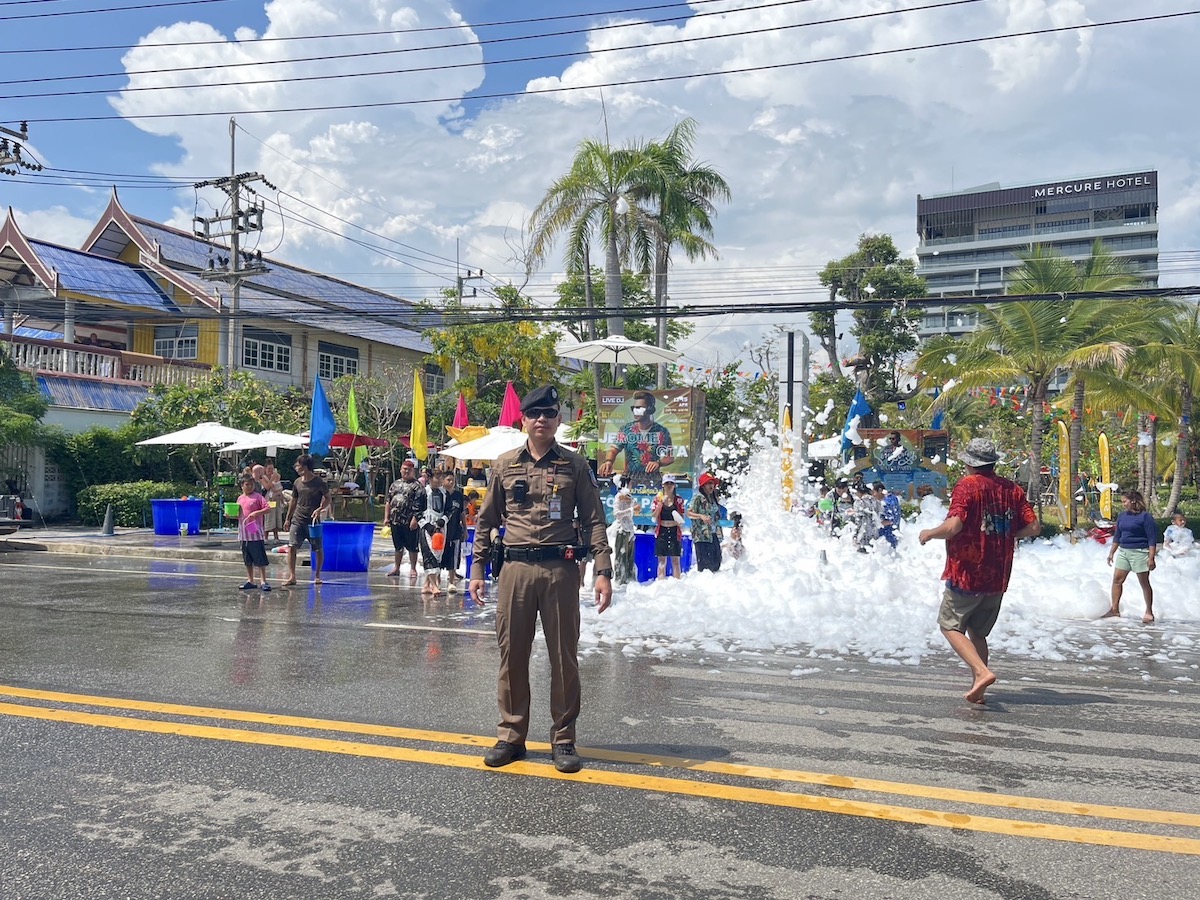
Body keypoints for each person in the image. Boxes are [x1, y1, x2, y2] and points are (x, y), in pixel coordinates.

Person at [470, 385, 613, 774]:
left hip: (560, 571)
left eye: (549, 414)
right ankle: (512, 735)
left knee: (563, 656)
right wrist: (477, 569)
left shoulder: (574, 465)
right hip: (514, 571)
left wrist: (602, 571)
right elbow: (485, 521)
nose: (541, 420)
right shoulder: (504, 464)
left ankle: (563, 738)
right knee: (512, 654)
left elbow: (594, 521)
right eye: (534, 414)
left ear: (558, 420)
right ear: (524, 419)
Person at [919, 438, 1040, 705]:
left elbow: (954, 526)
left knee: (949, 625)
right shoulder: (1012, 488)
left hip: (968, 571)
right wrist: (1004, 536)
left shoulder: (968, 486)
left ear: (969, 463)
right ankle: (979, 690)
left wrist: (930, 533)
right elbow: (1034, 527)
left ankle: (982, 672)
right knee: (978, 632)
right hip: (998, 573)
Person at [596, 390, 674, 488]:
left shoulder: (662, 431)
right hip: (629, 481)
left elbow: (670, 457)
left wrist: (659, 463)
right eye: (634, 408)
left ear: (650, 409)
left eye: (639, 408)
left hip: (653, 482)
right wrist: (608, 461)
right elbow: (613, 450)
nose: (635, 412)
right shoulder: (626, 429)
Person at [1103, 490, 1159, 624]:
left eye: (1125, 501)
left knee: (1144, 582)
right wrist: (1111, 552)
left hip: (1140, 552)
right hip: (1124, 551)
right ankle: (1114, 610)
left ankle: (1149, 612)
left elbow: (1152, 539)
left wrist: (1151, 558)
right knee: (1117, 580)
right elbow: (1117, 536)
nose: (1123, 504)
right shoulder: (1122, 516)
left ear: (1133, 501)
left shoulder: (1145, 517)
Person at [283, 454, 331, 586]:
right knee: (292, 546)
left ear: (305, 467)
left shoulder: (319, 482)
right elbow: (293, 501)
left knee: (317, 548)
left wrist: (320, 509)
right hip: (298, 519)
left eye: (298, 465)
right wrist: (288, 519)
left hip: (313, 521)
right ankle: (292, 576)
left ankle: (317, 575)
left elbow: (328, 499)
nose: (296, 467)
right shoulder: (297, 482)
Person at [385, 459, 424, 578]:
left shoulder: (417, 486)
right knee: (398, 546)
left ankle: (413, 569)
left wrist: (415, 519)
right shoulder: (395, 484)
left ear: (413, 471)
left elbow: (420, 505)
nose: (406, 471)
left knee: (412, 546)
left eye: (409, 470)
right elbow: (388, 501)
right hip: (395, 520)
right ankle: (396, 568)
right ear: (401, 470)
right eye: (404, 469)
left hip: (409, 520)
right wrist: (386, 517)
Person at [233, 476, 271, 591]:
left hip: (255, 534)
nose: (249, 487)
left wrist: (256, 513)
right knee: (247, 560)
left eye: (251, 484)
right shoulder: (240, 499)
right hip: (243, 535)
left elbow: (268, 508)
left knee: (260, 559)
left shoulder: (258, 497)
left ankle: (263, 581)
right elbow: (238, 515)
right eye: (247, 484)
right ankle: (250, 580)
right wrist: (230, 515)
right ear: (242, 486)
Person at [418, 469, 448, 596]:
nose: (440, 480)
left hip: (441, 526)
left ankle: (426, 585)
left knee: (438, 554)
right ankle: (434, 586)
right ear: (430, 478)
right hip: (427, 526)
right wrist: (427, 526)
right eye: (437, 477)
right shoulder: (423, 492)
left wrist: (443, 520)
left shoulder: (444, 493)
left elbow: (449, 509)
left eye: (441, 477)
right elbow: (416, 510)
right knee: (429, 554)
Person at [651, 474, 686, 579]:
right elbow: (653, 517)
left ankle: (677, 582)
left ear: (674, 485)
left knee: (676, 560)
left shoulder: (678, 500)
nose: (669, 486)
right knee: (662, 561)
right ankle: (661, 582)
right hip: (662, 530)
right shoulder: (657, 499)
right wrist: (660, 505)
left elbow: (681, 519)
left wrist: (676, 516)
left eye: (671, 483)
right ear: (663, 485)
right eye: (667, 483)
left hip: (674, 531)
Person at [688, 472, 723, 572]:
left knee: (717, 561)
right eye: (708, 483)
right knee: (706, 565)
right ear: (703, 486)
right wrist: (700, 516)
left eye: (712, 483)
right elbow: (689, 513)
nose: (711, 486)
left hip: (713, 533)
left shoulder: (713, 498)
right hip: (702, 535)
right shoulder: (698, 498)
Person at [441, 470, 466, 591]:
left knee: (454, 556)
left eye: (453, 480)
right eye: (448, 480)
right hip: (441, 530)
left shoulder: (458, 496)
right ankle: (436, 581)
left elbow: (462, 513)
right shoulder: (440, 494)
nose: (451, 482)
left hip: (455, 529)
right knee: (439, 555)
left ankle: (451, 581)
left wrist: (465, 529)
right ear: (443, 481)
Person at [611, 481, 637, 584]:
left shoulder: (630, 496)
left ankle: (630, 578)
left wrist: (633, 508)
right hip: (621, 529)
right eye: (630, 484)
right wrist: (630, 510)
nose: (631, 486)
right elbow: (616, 514)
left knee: (630, 556)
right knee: (621, 556)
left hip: (630, 529)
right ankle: (620, 580)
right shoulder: (619, 496)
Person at [852, 483, 881, 553]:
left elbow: (858, 520)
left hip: (864, 534)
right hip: (875, 534)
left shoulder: (859, 502)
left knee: (863, 555)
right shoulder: (876, 501)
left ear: (859, 492)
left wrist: (855, 535)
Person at [874, 481, 902, 549]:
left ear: (880, 491)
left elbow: (890, 520)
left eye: (873, 492)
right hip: (894, 534)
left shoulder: (885, 503)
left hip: (887, 538)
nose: (873, 495)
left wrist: (875, 524)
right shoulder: (892, 497)